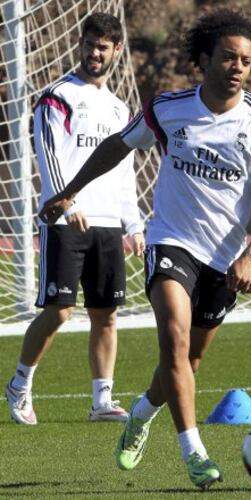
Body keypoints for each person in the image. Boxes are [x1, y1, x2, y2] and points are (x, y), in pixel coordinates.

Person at [39, 8, 251, 490]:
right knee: (174, 341)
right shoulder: (168, 108)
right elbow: (117, 146)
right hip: (171, 241)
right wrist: (70, 189)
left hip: (224, 259)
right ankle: (194, 453)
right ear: (204, 59)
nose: (238, 66)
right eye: (228, 57)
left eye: (246, 60)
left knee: (189, 362)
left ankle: (141, 413)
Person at [5, 13, 145, 426]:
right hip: (65, 221)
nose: (95, 53)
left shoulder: (121, 109)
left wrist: (132, 224)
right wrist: (66, 203)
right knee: (60, 311)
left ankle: (102, 400)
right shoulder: (57, 96)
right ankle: (19, 384)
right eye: (89, 44)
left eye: (103, 46)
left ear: (116, 51)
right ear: (80, 45)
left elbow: (125, 170)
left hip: (107, 224)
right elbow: (46, 157)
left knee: (107, 314)